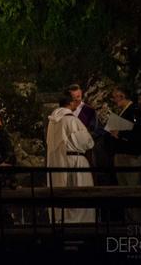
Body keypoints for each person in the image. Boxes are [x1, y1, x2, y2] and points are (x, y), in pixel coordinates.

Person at [46, 95, 96, 223]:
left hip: (60, 161)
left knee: (64, 193)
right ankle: (80, 223)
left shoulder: (53, 121)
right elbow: (87, 142)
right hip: (75, 160)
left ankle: (63, 221)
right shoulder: (72, 120)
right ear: (71, 103)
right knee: (79, 193)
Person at [109, 87, 141, 221]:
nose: (114, 100)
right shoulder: (125, 112)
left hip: (131, 156)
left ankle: (136, 224)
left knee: (132, 190)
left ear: (121, 96)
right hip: (122, 155)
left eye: (115, 97)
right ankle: (130, 222)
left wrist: (120, 134)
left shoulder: (134, 111)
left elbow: (139, 133)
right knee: (125, 191)